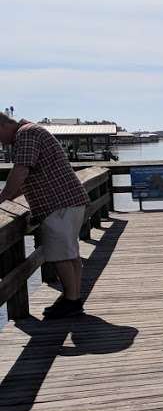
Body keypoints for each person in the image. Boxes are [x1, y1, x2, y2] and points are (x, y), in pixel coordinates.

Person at [0, 113, 90, 318]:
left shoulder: (26, 134)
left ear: (4, 125)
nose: (1, 141)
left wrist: (4, 197)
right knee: (70, 254)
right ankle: (73, 297)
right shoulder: (32, 131)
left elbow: (21, 170)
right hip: (69, 202)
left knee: (60, 255)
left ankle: (71, 301)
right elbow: (34, 174)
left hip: (57, 205)